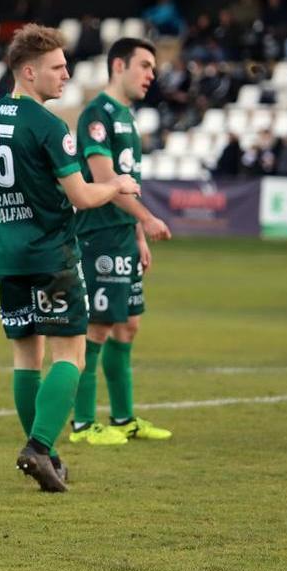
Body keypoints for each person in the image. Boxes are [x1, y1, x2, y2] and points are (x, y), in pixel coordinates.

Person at [0, 24, 140, 492]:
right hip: (52, 255)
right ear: (28, 71)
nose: (65, 75)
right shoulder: (48, 125)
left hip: (9, 257)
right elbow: (80, 196)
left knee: (25, 357)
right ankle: (39, 447)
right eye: (57, 68)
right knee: (71, 355)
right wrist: (118, 185)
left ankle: (49, 455)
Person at [70, 38, 174, 448]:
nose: (151, 75)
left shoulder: (127, 118)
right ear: (119, 65)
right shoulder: (97, 115)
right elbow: (102, 180)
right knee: (97, 327)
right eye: (144, 65)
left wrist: (137, 236)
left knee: (128, 325)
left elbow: (127, 183)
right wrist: (146, 218)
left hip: (122, 234)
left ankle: (124, 417)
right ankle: (81, 425)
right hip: (98, 234)